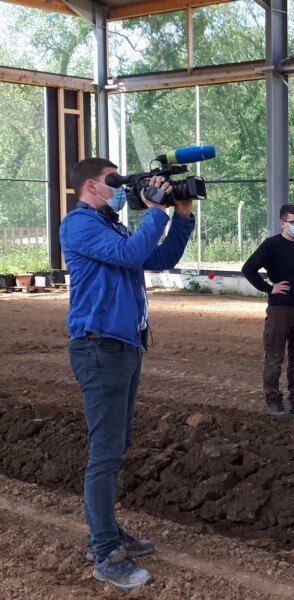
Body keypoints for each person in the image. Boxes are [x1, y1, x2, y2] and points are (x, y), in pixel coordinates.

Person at [61, 157, 195, 590]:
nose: (119, 190)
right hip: (99, 348)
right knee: (104, 454)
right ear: (89, 187)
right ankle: (103, 552)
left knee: (117, 447)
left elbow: (159, 259)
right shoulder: (79, 225)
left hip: (124, 347)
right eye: (112, 182)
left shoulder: (112, 228)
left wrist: (181, 214)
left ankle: (107, 532)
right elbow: (132, 253)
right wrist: (155, 210)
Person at [242, 204, 294, 416]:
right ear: (283, 223)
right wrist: (270, 288)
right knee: (275, 356)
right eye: (293, 222)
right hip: (280, 310)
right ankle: (273, 400)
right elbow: (248, 269)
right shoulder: (272, 245)